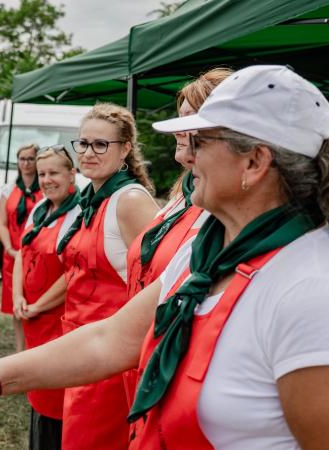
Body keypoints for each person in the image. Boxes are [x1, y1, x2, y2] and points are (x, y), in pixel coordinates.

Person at [0, 65, 329, 450]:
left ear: (254, 163)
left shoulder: (320, 294)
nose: (183, 158)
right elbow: (111, 340)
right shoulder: (209, 254)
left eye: (198, 142)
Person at [51, 103, 159, 449]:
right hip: (81, 351)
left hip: (110, 363)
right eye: (82, 143)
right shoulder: (92, 198)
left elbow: (161, 281)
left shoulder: (129, 201)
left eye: (101, 145)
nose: (88, 152)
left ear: (125, 150)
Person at [122, 69, 229, 405]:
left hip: (175, 364)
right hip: (141, 351)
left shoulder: (219, 212)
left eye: (190, 120)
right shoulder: (182, 195)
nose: (180, 137)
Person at [12, 145, 80, 450]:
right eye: (42, 174)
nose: (47, 179)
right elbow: (20, 255)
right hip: (32, 317)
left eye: (54, 172)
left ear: (71, 175)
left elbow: (73, 272)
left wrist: (39, 305)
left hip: (57, 320)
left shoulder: (78, 214)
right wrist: (16, 297)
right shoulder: (40, 208)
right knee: (37, 393)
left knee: (54, 399)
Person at [0, 143, 43, 352]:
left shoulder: (45, 187)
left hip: (37, 256)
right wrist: (8, 247)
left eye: (30, 159)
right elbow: (2, 223)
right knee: (17, 304)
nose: (26, 163)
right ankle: (19, 349)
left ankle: (36, 347)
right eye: (22, 159)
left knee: (36, 303)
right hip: (13, 255)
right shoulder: (8, 189)